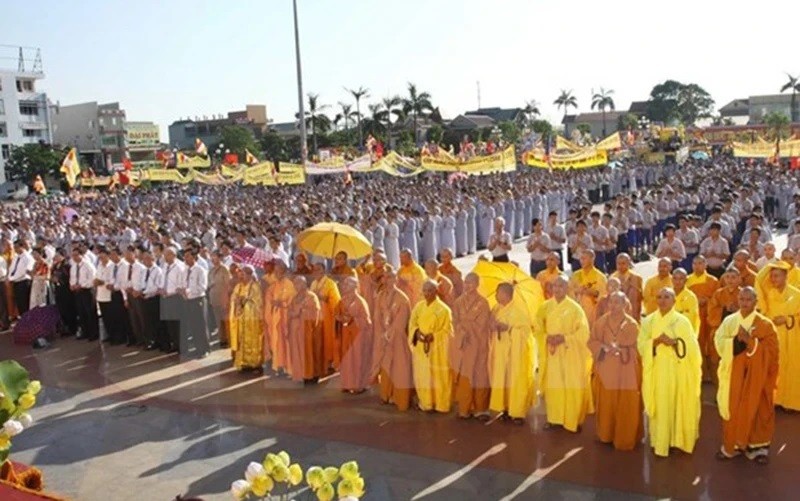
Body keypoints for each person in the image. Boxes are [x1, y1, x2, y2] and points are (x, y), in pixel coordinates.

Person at [714, 287, 779, 464]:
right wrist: (735, 342)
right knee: (733, 407)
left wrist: (751, 344)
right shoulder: (729, 321)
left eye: (748, 300)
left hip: (757, 378)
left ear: (756, 302)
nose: (744, 303)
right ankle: (733, 445)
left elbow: (772, 353)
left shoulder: (765, 324)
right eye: (741, 299)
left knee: (758, 408)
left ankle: (757, 447)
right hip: (734, 375)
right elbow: (719, 342)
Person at [638, 287, 702, 457]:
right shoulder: (649, 321)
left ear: (674, 300)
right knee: (661, 405)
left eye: (667, 297)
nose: (662, 300)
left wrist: (675, 343)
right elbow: (641, 344)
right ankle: (661, 441)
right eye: (659, 297)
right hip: (658, 370)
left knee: (678, 403)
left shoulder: (682, 321)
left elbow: (693, 348)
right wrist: (655, 342)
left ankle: (678, 440)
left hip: (678, 370)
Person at [534, 275, 592, 433]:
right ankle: (554, 419)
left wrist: (564, 338)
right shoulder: (545, 307)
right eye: (555, 286)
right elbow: (537, 328)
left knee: (571, 386)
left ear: (567, 289)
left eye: (561, 286)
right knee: (554, 386)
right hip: (552, 353)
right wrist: (547, 338)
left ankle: (572, 420)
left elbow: (584, 332)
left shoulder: (575, 308)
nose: (557, 289)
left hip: (569, 353)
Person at [588, 291, 642, 450]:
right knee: (606, 402)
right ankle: (605, 434)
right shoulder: (601, 322)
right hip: (607, 368)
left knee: (626, 403)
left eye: (617, 302)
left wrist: (623, 350)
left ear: (625, 304)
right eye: (611, 302)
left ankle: (624, 438)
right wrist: (603, 348)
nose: (613, 305)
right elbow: (592, 341)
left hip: (626, 370)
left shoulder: (632, 324)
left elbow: (638, 347)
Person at [489, 282, 536, 425]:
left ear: (505, 294)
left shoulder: (518, 311)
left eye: (497, 293)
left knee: (516, 380)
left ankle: (518, 413)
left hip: (516, 353)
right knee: (502, 379)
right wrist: (493, 325)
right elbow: (490, 323)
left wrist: (509, 328)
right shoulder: (497, 308)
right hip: (501, 350)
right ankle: (506, 408)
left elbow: (525, 332)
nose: (496, 296)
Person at [759, 261, 800, 411]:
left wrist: (788, 319)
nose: (773, 279)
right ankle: (776, 399)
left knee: (791, 368)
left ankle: (791, 403)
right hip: (774, 336)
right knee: (775, 367)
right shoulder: (770, 293)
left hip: (792, 336)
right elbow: (759, 279)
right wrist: (770, 264)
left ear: (785, 277)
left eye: (777, 276)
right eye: (772, 276)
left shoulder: (797, 294)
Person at [370, 270, 413, 411]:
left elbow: (402, 321)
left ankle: (401, 399)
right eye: (385, 278)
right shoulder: (380, 296)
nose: (387, 280)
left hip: (398, 339)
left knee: (400, 367)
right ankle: (386, 395)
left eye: (390, 277)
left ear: (395, 280)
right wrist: (381, 333)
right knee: (386, 366)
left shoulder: (402, 298)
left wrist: (389, 333)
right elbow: (376, 317)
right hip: (384, 338)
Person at [451, 273, 492, 420]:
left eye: (470, 283)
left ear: (477, 284)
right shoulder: (458, 302)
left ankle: (481, 409)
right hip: (463, 346)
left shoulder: (483, 303)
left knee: (480, 375)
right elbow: (454, 321)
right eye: (465, 282)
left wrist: (466, 327)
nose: (467, 285)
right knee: (465, 377)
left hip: (478, 344)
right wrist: (462, 331)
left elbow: (482, 324)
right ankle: (464, 408)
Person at [408, 280, 453, 413]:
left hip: (437, 349)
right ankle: (425, 403)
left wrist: (434, 336)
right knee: (422, 376)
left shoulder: (444, 310)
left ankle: (441, 405)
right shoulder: (419, 307)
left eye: (430, 291)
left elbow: (448, 331)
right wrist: (416, 333)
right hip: (421, 347)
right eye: (425, 291)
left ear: (436, 291)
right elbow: (412, 323)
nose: (426, 294)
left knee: (439, 377)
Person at [336, 277, 372, 394]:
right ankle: (347, 383)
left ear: (354, 286)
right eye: (344, 284)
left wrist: (353, 319)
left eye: (347, 284)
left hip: (359, 334)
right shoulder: (343, 300)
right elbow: (337, 314)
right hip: (346, 334)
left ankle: (359, 385)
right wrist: (340, 318)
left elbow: (366, 321)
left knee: (358, 359)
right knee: (346, 358)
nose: (344, 286)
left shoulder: (361, 302)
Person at [287, 276, 323, 384]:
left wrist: (301, 312)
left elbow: (315, 313)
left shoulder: (311, 297)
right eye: (295, 284)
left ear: (304, 284)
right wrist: (294, 313)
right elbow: (289, 311)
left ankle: (310, 375)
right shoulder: (295, 297)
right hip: (295, 330)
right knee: (297, 352)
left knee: (308, 352)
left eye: (298, 283)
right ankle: (299, 374)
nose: (296, 286)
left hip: (307, 330)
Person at [229, 265, 265, 372]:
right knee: (241, 340)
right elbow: (233, 298)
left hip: (252, 319)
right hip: (241, 319)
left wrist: (245, 301)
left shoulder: (255, 286)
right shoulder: (238, 286)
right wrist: (237, 301)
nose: (241, 277)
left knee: (254, 341)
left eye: (243, 274)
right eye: (239, 275)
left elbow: (259, 303)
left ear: (249, 275)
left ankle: (255, 364)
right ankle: (243, 362)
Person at [264, 261, 295, 375]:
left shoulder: (289, 284)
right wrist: (272, 302)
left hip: (285, 319)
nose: (277, 274)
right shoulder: (273, 285)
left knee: (286, 343)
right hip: (275, 318)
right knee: (276, 342)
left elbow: (292, 301)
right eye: (275, 272)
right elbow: (269, 299)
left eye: (279, 271)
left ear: (284, 271)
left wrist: (282, 303)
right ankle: (279, 365)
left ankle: (288, 367)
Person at [310, 263, 341, 373]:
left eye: (319, 269)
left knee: (328, 338)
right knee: (318, 338)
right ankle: (320, 361)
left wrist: (325, 298)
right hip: (316, 315)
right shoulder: (313, 283)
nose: (316, 272)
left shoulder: (330, 283)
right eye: (314, 270)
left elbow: (337, 301)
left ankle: (330, 361)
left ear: (324, 271)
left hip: (328, 315)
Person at [568, 249, 607, 326]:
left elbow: (604, 296)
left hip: (593, 312)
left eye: (584, 258)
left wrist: (593, 293)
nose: (581, 261)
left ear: (592, 259)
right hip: (578, 310)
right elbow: (569, 292)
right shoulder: (575, 275)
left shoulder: (600, 277)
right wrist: (577, 291)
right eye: (581, 258)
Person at [182, 249, 210, 358]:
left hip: (198, 300)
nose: (185, 258)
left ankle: (205, 349)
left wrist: (189, 291)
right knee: (193, 325)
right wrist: (182, 290)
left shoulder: (200, 270)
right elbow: (184, 283)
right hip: (188, 300)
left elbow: (203, 287)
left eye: (188, 256)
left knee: (201, 325)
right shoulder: (185, 270)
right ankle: (197, 348)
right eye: (184, 256)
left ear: (194, 257)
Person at [69, 247, 99, 341]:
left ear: (81, 255)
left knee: (90, 312)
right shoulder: (74, 266)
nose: (74, 257)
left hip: (87, 290)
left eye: (76, 255)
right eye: (73, 255)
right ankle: (85, 332)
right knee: (81, 312)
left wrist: (82, 285)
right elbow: (72, 277)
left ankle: (93, 333)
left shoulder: (87, 265)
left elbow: (92, 279)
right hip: (78, 292)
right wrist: (72, 285)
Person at [208, 250, 232, 348]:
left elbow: (228, 284)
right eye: (212, 257)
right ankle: (221, 339)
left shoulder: (224, 269)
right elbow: (208, 283)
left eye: (215, 257)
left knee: (225, 320)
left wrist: (226, 299)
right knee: (218, 320)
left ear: (220, 258)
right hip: (214, 298)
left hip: (223, 298)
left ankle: (228, 339)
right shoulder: (211, 270)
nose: (213, 259)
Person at [50, 248, 76, 336]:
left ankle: (72, 328)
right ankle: (64, 328)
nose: (55, 257)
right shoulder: (55, 266)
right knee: (61, 309)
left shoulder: (66, 266)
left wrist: (60, 280)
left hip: (66, 290)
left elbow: (68, 277)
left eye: (58, 255)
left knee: (68, 309)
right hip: (58, 290)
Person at [611, 253, 643, 319]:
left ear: (629, 263)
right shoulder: (612, 279)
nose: (621, 266)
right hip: (617, 313)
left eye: (623, 263)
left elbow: (640, 298)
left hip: (633, 313)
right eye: (618, 264)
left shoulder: (636, 278)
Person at [8, 240, 33, 316]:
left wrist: (11, 279)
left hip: (24, 282)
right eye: (14, 247)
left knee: (24, 303)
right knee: (19, 304)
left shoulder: (27, 257)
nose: (15, 249)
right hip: (16, 282)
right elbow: (12, 268)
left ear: (22, 247)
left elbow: (22, 272)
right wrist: (9, 277)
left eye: (17, 247)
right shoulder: (16, 257)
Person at [672, 268, 700, 336]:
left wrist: (673, 315)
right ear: (672, 279)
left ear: (686, 280)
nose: (677, 281)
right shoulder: (667, 294)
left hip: (686, 332)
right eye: (675, 278)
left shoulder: (690, 296)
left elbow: (691, 316)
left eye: (681, 279)